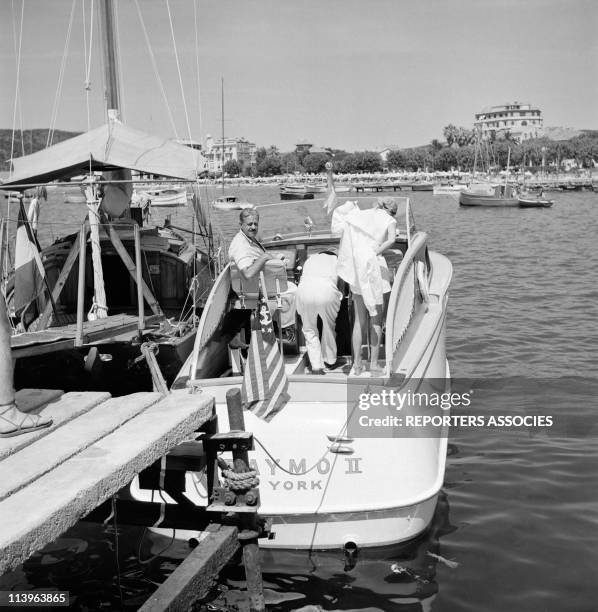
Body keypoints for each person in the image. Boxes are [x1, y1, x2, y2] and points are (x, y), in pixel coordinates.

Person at [335, 196, 400, 376]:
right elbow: (392, 239)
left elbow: (345, 228)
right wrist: (375, 252)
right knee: (377, 320)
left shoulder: (361, 215)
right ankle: (373, 364)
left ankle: (356, 364)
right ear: (390, 210)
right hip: (375, 269)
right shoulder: (389, 219)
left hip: (358, 272)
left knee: (359, 321)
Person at [228, 208, 297, 329]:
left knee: (290, 286)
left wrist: (274, 259)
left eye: (255, 224)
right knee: (295, 290)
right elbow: (248, 273)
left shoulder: (247, 238)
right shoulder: (241, 246)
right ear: (241, 225)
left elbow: (255, 259)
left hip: (258, 284)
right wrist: (265, 257)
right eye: (249, 224)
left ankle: (282, 325)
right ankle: (286, 327)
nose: (253, 227)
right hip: (256, 289)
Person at [295, 249, 342, 374]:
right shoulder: (337, 260)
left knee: (309, 329)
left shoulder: (310, 259)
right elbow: (342, 284)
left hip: (304, 290)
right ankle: (330, 360)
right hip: (327, 290)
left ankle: (316, 366)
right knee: (328, 326)